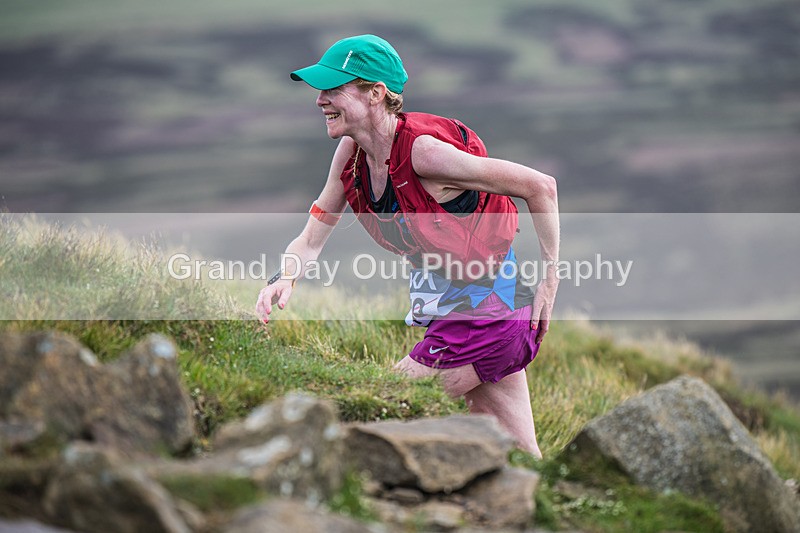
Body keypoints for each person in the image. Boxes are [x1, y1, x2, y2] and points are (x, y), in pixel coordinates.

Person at [256, 34, 559, 458]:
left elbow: (541, 187)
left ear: (376, 93)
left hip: (489, 315)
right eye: (320, 90)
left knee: (380, 406)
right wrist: (283, 278)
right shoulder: (352, 154)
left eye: (333, 89)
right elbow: (309, 239)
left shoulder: (426, 154)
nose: (320, 100)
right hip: (469, 314)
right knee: (524, 457)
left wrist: (550, 281)